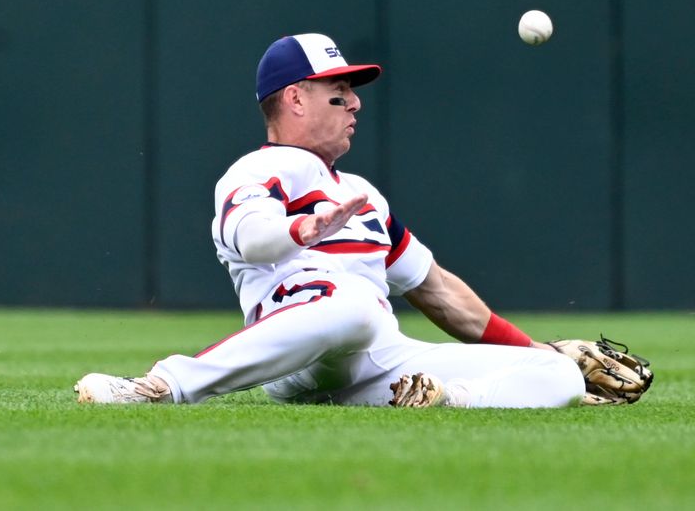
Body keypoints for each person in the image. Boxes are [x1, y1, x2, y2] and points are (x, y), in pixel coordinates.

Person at [75, 33, 584, 408]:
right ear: (295, 98)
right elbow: (252, 238)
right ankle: (161, 386)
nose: (356, 103)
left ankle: (439, 399)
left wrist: (537, 349)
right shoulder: (257, 169)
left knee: (560, 378)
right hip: (301, 355)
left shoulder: (363, 194)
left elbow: (441, 293)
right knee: (355, 306)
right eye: (339, 92)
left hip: (378, 358)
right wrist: (301, 229)